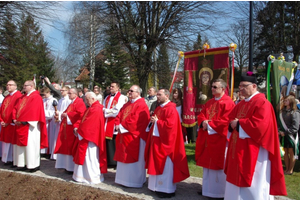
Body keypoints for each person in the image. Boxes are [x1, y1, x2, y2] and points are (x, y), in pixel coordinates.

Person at [225, 72, 287, 199]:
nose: (240, 89)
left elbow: (260, 125)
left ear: (254, 86)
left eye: (244, 86)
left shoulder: (262, 103)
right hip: (239, 147)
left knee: (254, 178)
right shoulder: (241, 103)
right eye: (240, 86)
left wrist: (239, 123)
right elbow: (231, 119)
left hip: (255, 149)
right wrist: (232, 123)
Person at [145, 89, 190, 198]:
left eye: (159, 94)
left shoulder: (171, 109)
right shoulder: (159, 108)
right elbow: (154, 122)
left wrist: (157, 122)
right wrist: (152, 121)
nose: (157, 96)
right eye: (157, 94)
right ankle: (155, 187)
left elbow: (171, 127)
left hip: (166, 144)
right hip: (157, 141)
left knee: (166, 166)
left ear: (166, 96)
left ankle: (165, 189)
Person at [195, 79, 235, 198]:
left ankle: (218, 192)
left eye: (215, 87)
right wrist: (203, 122)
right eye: (212, 87)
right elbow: (201, 115)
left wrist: (210, 124)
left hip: (219, 139)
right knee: (207, 166)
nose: (212, 89)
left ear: (223, 89)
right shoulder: (210, 102)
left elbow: (227, 120)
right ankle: (207, 190)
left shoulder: (228, 103)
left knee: (217, 165)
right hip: (208, 138)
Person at [114, 85, 150, 188]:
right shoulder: (127, 104)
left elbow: (136, 120)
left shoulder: (141, 104)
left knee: (134, 161)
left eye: (131, 91)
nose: (129, 92)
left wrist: (121, 126)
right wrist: (117, 124)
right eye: (129, 90)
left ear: (138, 93)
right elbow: (119, 115)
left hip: (135, 137)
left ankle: (133, 181)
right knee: (123, 158)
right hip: (124, 135)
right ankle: (123, 179)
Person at [12, 80, 48, 172]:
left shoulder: (36, 97)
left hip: (30, 126)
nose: (23, 87)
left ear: (31, 86)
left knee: (31, 146)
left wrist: (25, 120)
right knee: (22, 147)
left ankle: (33, 165)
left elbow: (34, 110)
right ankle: (23, 163)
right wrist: (15, 118)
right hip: (20, 124)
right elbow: (16, 108)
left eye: (25, 85)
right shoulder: (23, 97)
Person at [72, 92, 107, 184]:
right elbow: (84, 120)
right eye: (86, 100)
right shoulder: (91, 108)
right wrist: (77, 127)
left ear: (93, 98)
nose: (86, 102)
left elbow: (90, 124)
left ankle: (91, 177)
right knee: (86, 157)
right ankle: (82, 176)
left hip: (90, 138)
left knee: (90, 158)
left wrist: (79, 131)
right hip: (86, 136)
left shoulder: (96, 109)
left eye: (87, 99)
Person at [54, 88, 86, 173]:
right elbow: (66, 112)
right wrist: (60, 114)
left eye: (70, 93)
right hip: (66, 127)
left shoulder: (79, 102)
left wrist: (67, 115)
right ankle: (65, 166)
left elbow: (81, 114)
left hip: (72, 128)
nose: (68, 95)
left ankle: (70, 168)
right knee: (64, 146)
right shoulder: (72, 102)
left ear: (75, 94)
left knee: (70, 146)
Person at [103, 82, 126, 168]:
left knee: (114, 142)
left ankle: (115, 162)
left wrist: (106, 111)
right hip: (106, 122)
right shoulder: (107, 97)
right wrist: (106, 111)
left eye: (113, 87)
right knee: (107, 142)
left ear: (117, 88)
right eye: (110, 86)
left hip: (115, 121)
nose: (111, 88)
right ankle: (109, 161)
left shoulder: (122, 97)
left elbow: (117, 110)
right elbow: (103, 108)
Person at [0, 80, 22, 165]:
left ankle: (12, 159)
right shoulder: (7, 97)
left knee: (12, 142)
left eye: (10, 85)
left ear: (15, 86)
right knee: (6, 142)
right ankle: (6, 159)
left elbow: (16, 111)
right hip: (5, 123)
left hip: (12, 124)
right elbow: (2, 109)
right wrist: (1, 120)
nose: (8, 86)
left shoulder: (18, 96)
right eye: (7, 85)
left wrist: (9, 122)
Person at [278, 95, 299, 175]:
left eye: (286, 100)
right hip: (283, 135)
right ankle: (286, 169)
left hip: (291, 136)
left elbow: (295, 126)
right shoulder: (282, 111)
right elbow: (280, 123)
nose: (284, 102)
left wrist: (286, 132)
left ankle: (291, 169)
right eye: (284, 100)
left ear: (291, 101)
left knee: (291, 152)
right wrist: (279, 130)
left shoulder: (295, 112)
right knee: (285, 152)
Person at [52, 86, 72, 160]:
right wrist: (57, 115)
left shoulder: (68, 100)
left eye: (63, 90)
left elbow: (67, 111)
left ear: (67, 91)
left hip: (64, 120)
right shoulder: (60, 100)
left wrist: (59, 115)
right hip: (59, 120)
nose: (61, 92)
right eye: (61, 90)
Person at [40, 87, 58, 159]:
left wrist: (44, 113)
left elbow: (53, 111)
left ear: (48, 93)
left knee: (50, 137)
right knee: (44, 136)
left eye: (44, 94)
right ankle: (43, 151)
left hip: (51, 121)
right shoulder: (43, 100)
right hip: (44, 120)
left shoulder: (53, 100)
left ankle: (49, 151)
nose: (43, 96)